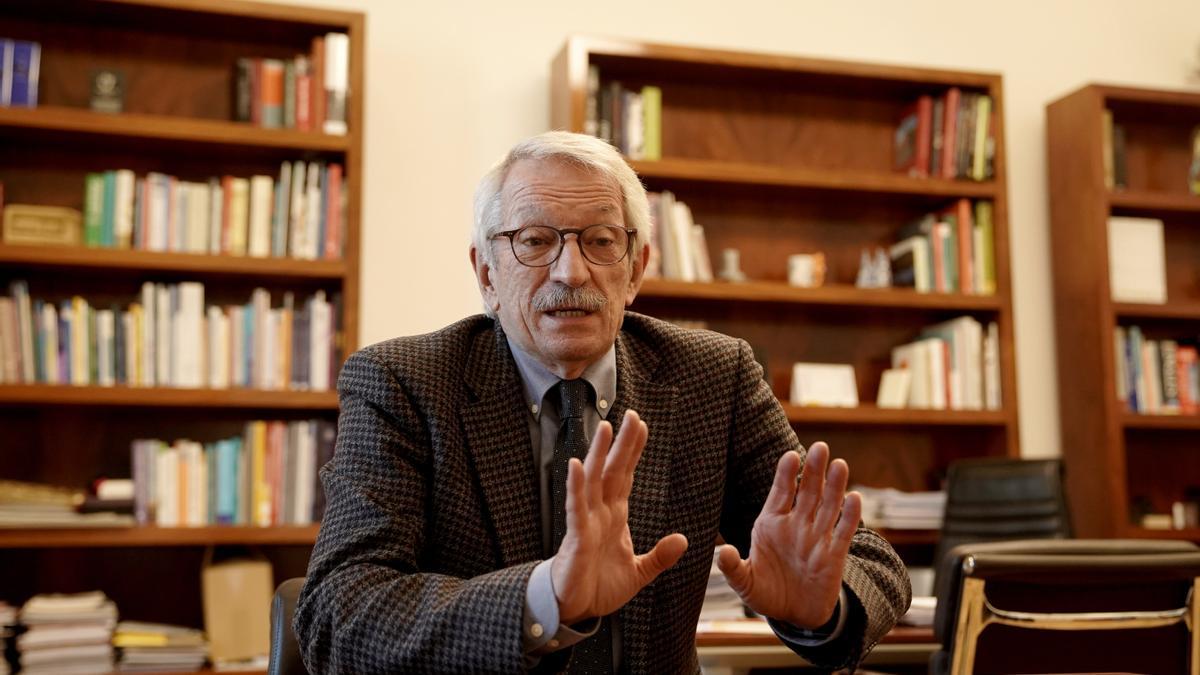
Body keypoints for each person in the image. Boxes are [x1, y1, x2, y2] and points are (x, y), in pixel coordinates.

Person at [294, 131, 911, 673]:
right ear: (486, 275)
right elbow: (338, 613)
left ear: (635, 269)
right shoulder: (404, 381)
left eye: (600, 242)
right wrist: (546, 597)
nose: (571, 272)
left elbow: (870, 562)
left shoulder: (712, 377)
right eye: (535, 241)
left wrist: (822, 608)